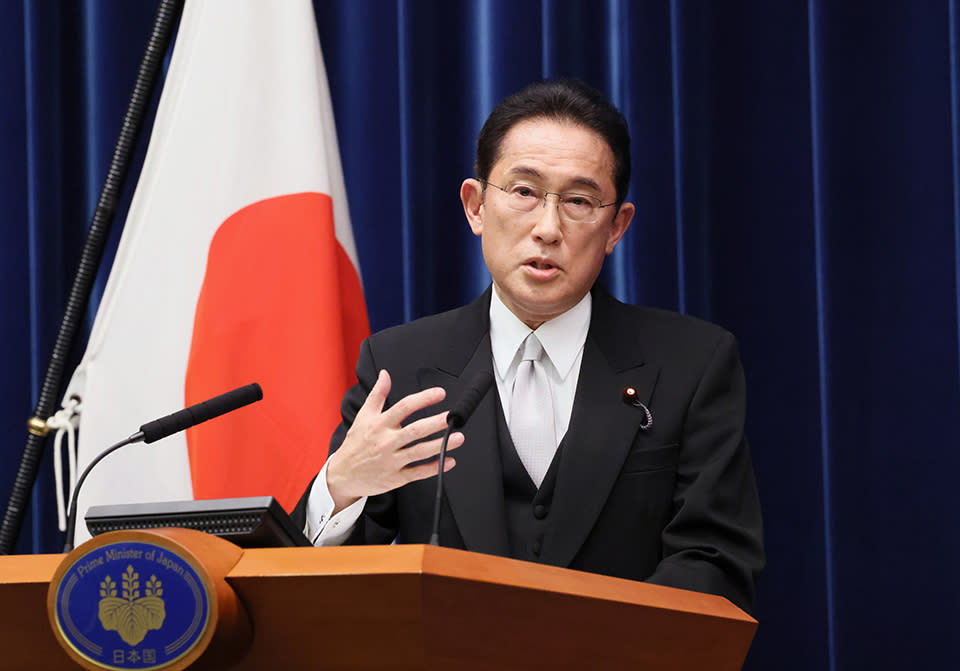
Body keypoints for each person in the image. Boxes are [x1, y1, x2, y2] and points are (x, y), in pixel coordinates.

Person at [290, 79, 764, 613]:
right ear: (475, 206)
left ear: (615, 227)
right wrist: (342, 487)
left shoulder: (691, 364)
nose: (547, 227)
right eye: (524, 192)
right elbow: (326, 584)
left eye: (580, 201)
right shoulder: (400, 365)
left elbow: (714, 558)